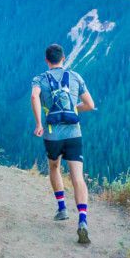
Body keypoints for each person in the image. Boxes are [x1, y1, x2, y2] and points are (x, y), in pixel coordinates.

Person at [31, 44, 96, 245]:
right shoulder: (76, 77)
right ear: (64, 58)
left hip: (52, 135)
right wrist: (73, 110)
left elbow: (34, 96)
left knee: (54, 167)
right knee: (78, 177)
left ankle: (62, 208)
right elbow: (90, 105)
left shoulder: (40, 79)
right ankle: (83, 220)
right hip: (74, 134)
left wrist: (39, 123)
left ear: (46, 60)